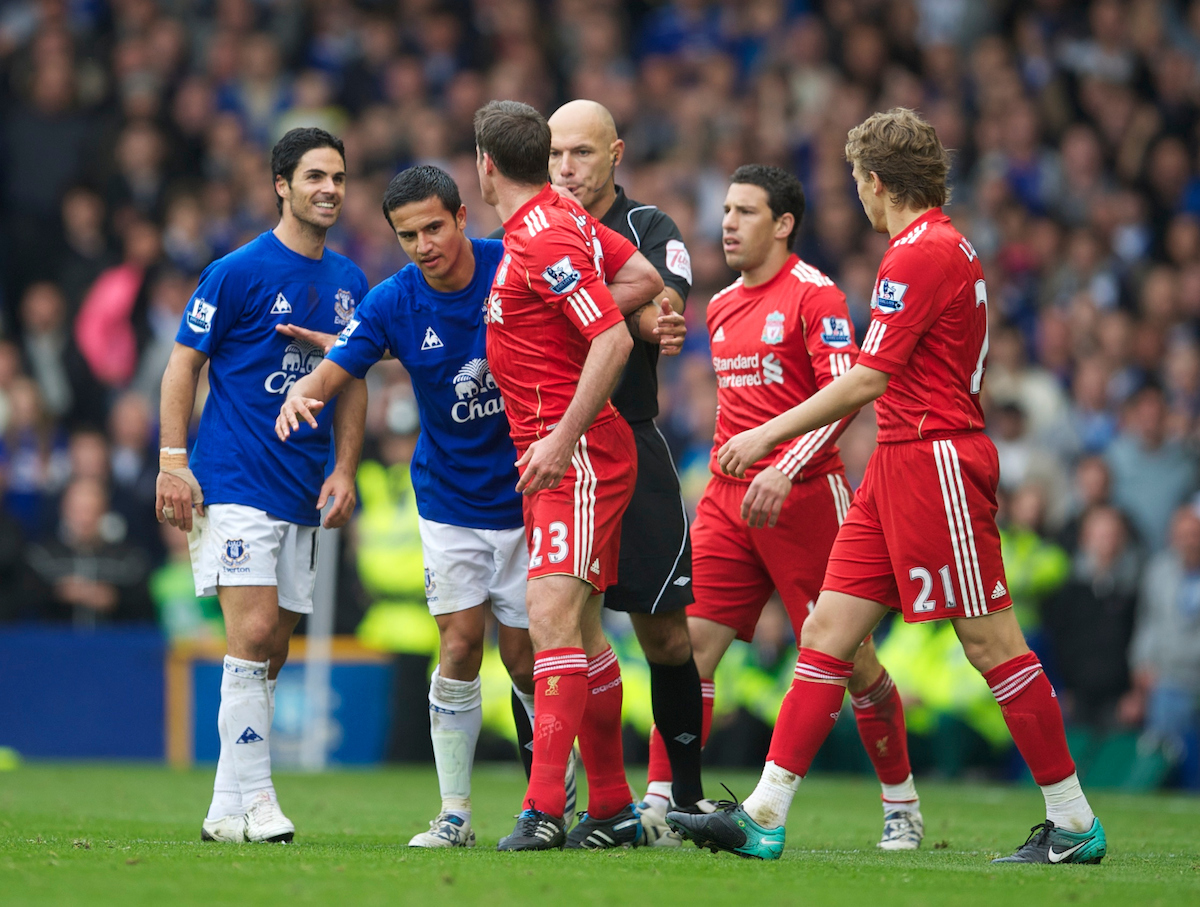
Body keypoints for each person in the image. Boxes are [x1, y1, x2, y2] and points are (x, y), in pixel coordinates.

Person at [669, 108, 1107, 865]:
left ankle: (1073, 820)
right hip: (897, 464)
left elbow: (867, 379)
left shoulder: (921, 252)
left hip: (937, 460)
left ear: (876, 182)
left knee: (990, 640)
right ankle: (767, 814)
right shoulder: (932, 247)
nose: (858, 198)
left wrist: (768, 433)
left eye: (857, 184)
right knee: (827, 634)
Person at [276, 163, 670, 848]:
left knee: (528, 657)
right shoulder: (395, 300)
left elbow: (610, 294)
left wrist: (634, 311)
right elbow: (343, 364)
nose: (424, 243)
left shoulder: (512, 261)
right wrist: (305, 389)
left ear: (462, 217)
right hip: (450, 499)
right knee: (458, 645)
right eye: (408, 235)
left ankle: (561, 789)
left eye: (434, 226)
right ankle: (455, 813)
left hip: (529, 491)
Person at [675, 163, 924, 850]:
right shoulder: (719, 305)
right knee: (691, 650)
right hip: (729, 500)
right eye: (725, 209)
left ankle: (900, 801)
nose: (727, 222)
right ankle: (673, 802)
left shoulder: (815, 296)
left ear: (783, 224)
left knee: (854, 660)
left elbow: (847, 394)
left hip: (807, 494)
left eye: (745, 212)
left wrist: (783, 467)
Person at [156, 127, 368, 845]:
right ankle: (262, 802)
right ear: (281, 184)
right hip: (234, 477)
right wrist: (171, 458)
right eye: (314, 176)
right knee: (249, 633)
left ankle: (224, 809)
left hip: (301, 486)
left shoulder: (348, 283)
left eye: (338, 177)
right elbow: (182, 364)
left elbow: (352, 382)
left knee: (271, 650)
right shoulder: (237, 271)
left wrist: (343, 467)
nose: (329, 189)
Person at [475, 100, 659, 851]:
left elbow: (612, 339)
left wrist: (561, 434)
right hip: (567, 452)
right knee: (580, 634)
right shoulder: (558, 215)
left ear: (486, 164)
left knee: (548, 617)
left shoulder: (545, 231)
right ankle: (613, 806)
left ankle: (544, 808)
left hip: (575, 455)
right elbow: (641, 275)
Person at [536, 99, 706, 839]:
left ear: (615, 154)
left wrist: (653, 318)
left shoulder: (649, 230)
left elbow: (662, 298)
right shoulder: (535, 230)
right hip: (549, 448)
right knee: (548, 630)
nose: (566, 168)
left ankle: (689, 800)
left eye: (580, 153)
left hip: (629, 442)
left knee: (665, 636)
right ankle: (568, 798)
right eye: (555, 155)